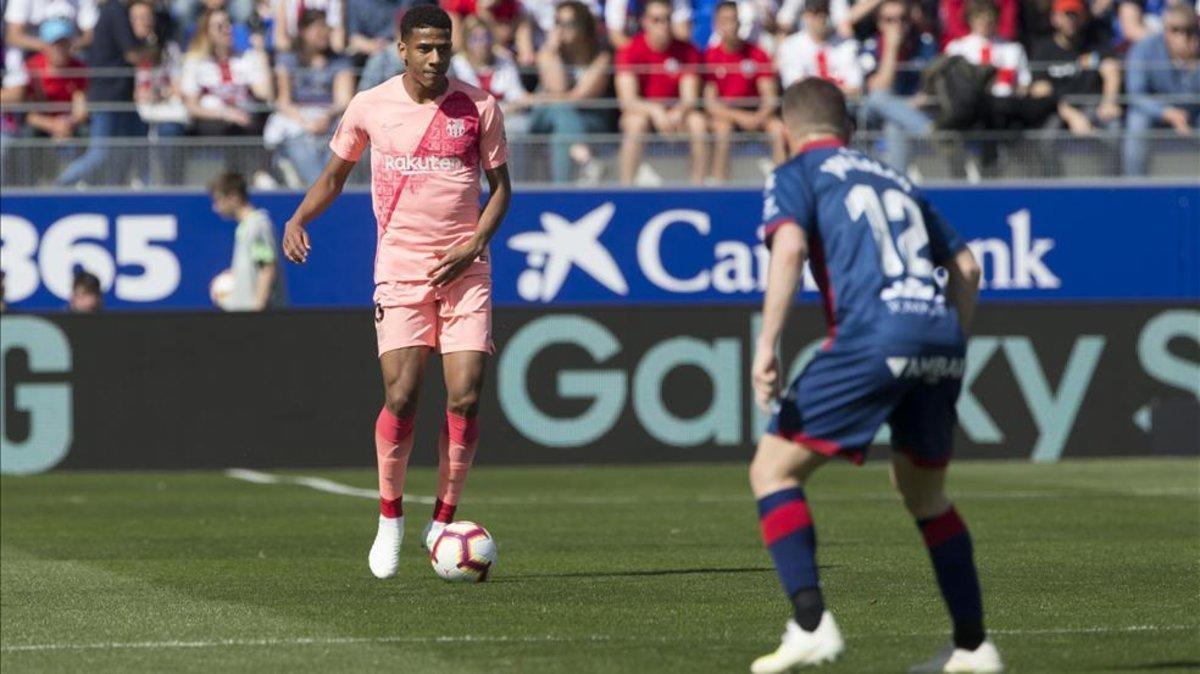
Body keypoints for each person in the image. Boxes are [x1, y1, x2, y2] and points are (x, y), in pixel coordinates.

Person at [747, 77, 999, 673]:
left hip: (874, 334)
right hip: (938, 332)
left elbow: (787, 252)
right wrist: (951, 345)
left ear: (785, 131)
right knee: (924, 495)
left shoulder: (795, 174)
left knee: (772, 470)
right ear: (851, 131)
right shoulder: (896, 176)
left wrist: (767, 346)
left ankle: (810, 623)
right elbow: (966, 264)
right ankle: (972, 646)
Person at [279, 4, 511, 580]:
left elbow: (502, 189)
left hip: (465, 267)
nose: (436, 57)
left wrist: (475, 241)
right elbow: (335, 175)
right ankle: (390, 519)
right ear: (402, 49)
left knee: (466, 394)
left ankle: (443, 519)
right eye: (425, 47)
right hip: (401, 269)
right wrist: (298, 218)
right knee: (403, 395)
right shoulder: (370, 105)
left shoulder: (479, 105)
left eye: (444, 47)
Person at [56, 0, 151, 187]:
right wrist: (153, 52)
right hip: (109, 97)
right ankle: (59, 185)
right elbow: (132, 55)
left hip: (121, 98)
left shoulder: (113, 11)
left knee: (140, 145)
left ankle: (146, 189)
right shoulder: (115, 11)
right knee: (100, 153)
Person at [615, 0, 707, 185]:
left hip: (676, 114)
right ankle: (625, 188)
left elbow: (689, 97)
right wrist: (656, 112)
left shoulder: (687, 51)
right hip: (643, 113)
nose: (663, 25)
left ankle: (699, 187)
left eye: (667, 19)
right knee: (636, 124)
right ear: (644, 22)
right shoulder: (629, 51)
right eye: (656, 20)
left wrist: (678, 112)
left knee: (698, 123)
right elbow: (628, 100)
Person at [180, 7, 273, 176]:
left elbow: (264, 94)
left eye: (229, 24)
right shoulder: (195, 61)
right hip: (211, 121)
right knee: (233, 131)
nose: (227, 29)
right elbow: (192, 107)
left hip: (246, 120)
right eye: (220, 26)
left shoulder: (247, 58)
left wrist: (261, 53)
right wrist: (224, 113)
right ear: (207, 33)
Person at [267, 9, 355, 186]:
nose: (323, 33)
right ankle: (320, 192)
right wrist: (306, 122)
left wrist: (326, 117)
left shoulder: (340, 61)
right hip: (297, 120)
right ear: (303, 31)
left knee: (338, 155)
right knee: (300, 149)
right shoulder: (287, 59)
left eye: (326, 28)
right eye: (317, 28)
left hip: (329, 120)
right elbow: (283, 101)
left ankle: (324, 193)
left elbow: (344, 99)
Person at [528, 0, 611, 184]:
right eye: (558, 23)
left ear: (584, 25)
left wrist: (545, 97)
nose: (563, 28)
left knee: (563, 129)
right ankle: (586, 161)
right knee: (562, 113)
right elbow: (558, 87)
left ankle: (561, 190)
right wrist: (553, 52)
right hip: (544, 117)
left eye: (569, 23)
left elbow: (579, 98)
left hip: (587, 117)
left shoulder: (601, 57)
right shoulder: (546, 53)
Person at [702, 1, 784, 181]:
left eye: (734, 20)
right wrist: (740, 117)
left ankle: (781, 185)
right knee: (723, 130)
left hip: (756, 113)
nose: (731, 25)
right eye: (725, 20)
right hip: (726, 114)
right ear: (716, 24)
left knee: (778, 129)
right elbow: (711, 104)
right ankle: (720, 186)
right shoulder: (710, 56)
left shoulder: (756, 53)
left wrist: (759, 117)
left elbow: (769, 97)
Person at [858, 0, 938, 174]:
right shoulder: (870, 47)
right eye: (889, 20)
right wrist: (891, 48)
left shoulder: (925, 44)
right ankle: (931, 132)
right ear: (879, 22)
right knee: (878, 98)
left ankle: (896, 179)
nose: (897, 25)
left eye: (902, 19)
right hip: (873, 114)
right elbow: (878, 88)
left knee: (894, 125)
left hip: (911, 112)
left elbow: (930, 91)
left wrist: (901, 109)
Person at [1122, 2, 1199, 176]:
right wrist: (1168, 113)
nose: (1183, 36)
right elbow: (1135, 95)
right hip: (1156, 113)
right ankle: (1135, 187)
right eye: (1176, 29)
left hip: (1193, 112)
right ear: (1165, 29)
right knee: (1137, 122)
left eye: (1190, 29)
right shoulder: (1144, 48)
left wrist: (1193, 65)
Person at [1029, 0, 1122, 136]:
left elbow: (1111, 68)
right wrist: (1072, 116)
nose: (1071, 20)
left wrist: (1109, 102)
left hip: (1092, 105)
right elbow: (1040, 89)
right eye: (1067, 15)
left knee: (1114, 126)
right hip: (1057, 108)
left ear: (1084, 17)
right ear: (1054, 18)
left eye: (1075, 15)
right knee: (1046, 133)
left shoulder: (1096, 42)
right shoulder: (1043, 49)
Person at [24, 19, 90, 183]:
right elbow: (29, 114)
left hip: (68, 125)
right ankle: (29, 185)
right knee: (27, 136)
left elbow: (81, 108)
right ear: (45, 46)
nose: (60, 49)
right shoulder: (32, 67)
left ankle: (71, 185)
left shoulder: (79, 67)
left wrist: (66, 123)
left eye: (64, 43)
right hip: (43, 125)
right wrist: (53, 125)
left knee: (86, 134)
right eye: (55, 44)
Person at [209, 171, 287, 310]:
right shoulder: (245, 227)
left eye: (218, 200)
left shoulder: (256, 224)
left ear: (233, 196)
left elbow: (267, 268)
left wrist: (256, 310)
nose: (215, 208)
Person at [944, 0, 1031, 98]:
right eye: (978, 17)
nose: (984, 22)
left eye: (989, 17)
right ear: (970, 19)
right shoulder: (956, 48)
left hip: (1005, 106)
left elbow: (1024, 83)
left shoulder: (1013, 49)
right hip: (969, 105)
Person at [776, 0, 863, 94]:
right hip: (807, 105)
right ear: (805, 15)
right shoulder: (790, 46)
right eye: (815, 13)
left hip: (841, 104)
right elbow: (795, 87)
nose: (821, 18)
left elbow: (855, 88)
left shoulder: (847, 45)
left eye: (824, 12)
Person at [4, 0, 98, 54]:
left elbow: (91, 35)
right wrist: (49, 47)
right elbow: (12, 36)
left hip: (71, 56)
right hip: (30, 55)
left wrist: (68, 47)